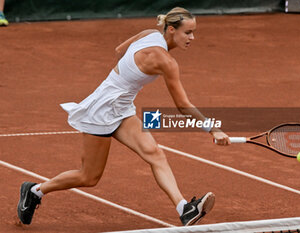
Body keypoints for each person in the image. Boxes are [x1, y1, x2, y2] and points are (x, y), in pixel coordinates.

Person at [17, 7, 230, 227]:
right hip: (101, 111)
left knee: (155, 153)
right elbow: (183, 106)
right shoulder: (166, 62)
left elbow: (120, 51)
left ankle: (184, 209)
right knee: (88, 177)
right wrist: (212, 128)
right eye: (188, 32)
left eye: (193, 32)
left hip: (121, 107)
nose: (192, 38)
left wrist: (126, 82)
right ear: (172, 30)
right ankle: (34, 191)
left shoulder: (149, 34)